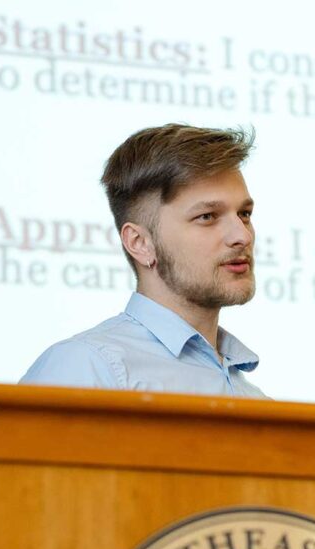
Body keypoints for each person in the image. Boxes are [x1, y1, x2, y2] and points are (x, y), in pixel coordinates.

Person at [20, 123, 266, 398]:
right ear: (140, 243)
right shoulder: (86, 369)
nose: (242, 235)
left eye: (244, 214)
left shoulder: (256, 398)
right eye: (207, 217)